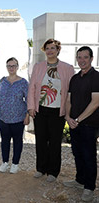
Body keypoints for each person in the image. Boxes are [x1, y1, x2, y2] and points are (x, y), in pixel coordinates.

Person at [27, 39, 74, 182]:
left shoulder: (67, 68)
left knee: (54, 142)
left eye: (53, 48)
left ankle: (53, 172)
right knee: (40, 140)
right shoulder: (38, 66)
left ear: (58, 50)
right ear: (44, 50)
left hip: (57, 111)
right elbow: (32, 88)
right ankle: (41, 168)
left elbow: (71, 91)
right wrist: (31, 107)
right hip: (40, 109)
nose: (50, 51)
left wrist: (69, 111)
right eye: (47, 48)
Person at [63, 46, 99, 202]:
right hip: (74, 123)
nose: (82, 60)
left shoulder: (96, 77)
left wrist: (77, 120)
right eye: (79, 57)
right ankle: (80, 180)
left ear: (91, 58)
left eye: (85, 57)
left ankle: (89, 187)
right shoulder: (75, 78)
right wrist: (68, 117)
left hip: (90, 124)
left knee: (89, 155)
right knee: (77, 153)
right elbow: (69, 100)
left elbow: (95, 103)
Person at [0, 57, 30, 174]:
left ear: (17, 67)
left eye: (13, 66)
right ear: (6, 67)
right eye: (9, 66)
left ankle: (15, 163)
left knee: (17, 141)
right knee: (5, 141)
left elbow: (29, 99)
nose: (11, 68)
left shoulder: (23, 82)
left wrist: (27, 115)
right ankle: (5, 162)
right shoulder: (2, 81)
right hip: (3, 117)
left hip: (18, 117)